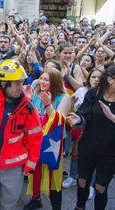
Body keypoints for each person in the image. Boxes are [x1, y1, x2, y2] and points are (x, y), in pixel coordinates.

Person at [0, 59, 43, 210]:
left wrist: (30, 164)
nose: (22, 87)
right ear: (3, 83)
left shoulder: (27, 107)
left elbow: (35, 137)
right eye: (17, 83)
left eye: (22, 82)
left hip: (14, 168)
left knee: (8, 205)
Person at [68, 65, 115, 210]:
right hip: (89, 146)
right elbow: (85, 113)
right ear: (110, 80)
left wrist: (112, 117)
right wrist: (79, 119)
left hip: (109, 151)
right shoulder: (94, 93)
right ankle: (79, 207)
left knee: (101, 187)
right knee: (82, 182)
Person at [24, 68, 71, 210]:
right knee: (35, 172)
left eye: (46, 79)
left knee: (53, 176)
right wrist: (27, 100)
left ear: (55, 82)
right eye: (41, 79)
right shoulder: (36, 93)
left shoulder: (64, 97)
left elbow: (59, 121)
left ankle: (56, 206)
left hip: (52, 144)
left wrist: (48, 104)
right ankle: (36, 199)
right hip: (36, 141)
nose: (42, 82)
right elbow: (29, 116)